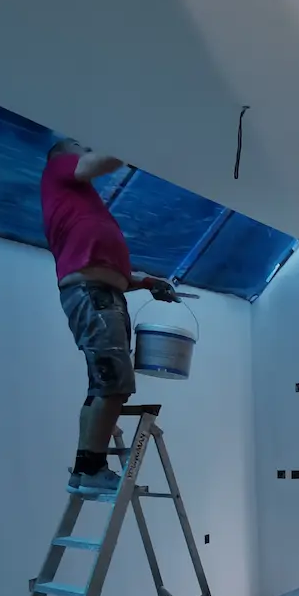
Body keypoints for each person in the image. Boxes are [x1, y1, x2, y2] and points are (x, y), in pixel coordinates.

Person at [40, 137, 178, 498]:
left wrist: (147, 283)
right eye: (79, 144)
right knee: (114, 383)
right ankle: (93, 470)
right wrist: (131, 140)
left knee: (103, 384)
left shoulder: (82, 201)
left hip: (103, 294)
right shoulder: (59, 169)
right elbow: (94, 163)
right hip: (93, 294)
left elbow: (108, 269)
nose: (86, 148)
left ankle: (84, 470)